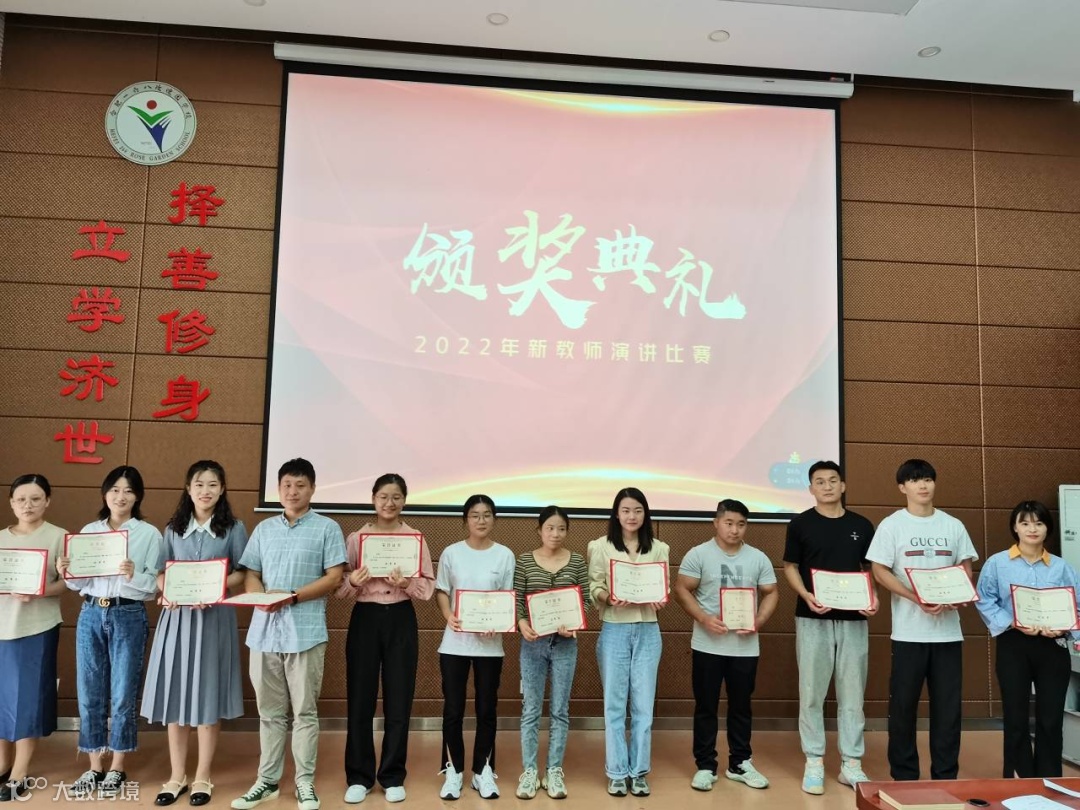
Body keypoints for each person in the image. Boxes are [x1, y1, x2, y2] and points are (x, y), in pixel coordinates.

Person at [230, 459, 346, 810]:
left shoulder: (327, 528)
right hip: (264, 633)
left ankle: (304, 782)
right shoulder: (264, 529)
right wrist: (260, 596)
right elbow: (251, 572)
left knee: (305, 713)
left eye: (300, 485)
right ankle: (267, 781)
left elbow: (334, 577)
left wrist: (292, 596)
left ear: (312, 489)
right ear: (278, 489)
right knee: (269, 713)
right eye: (286, 485)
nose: (292, 492)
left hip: (305, 632)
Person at [141, 461, 248, 807]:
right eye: (199, 484)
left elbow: (243, 573)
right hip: (178, 620)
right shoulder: (173, 529)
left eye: (213, 484)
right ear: (188, 489)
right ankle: (177, 776)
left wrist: (215, 587)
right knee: (175, 694)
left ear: (222, 489)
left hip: (214, 619)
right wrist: (168, 589)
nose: (205, 491)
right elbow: (160, 572)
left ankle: (202, 775)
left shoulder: (234, 528)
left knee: (207, 694)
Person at [866, 458, 978, 781]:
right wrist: (914, 596)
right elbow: (879, 570)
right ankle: (904, 777)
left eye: (927, 479)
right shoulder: (892, 525)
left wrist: (956, 595)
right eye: (915, 480)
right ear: (902, 487)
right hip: (908, 634)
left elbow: (965, 567)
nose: (923, 485)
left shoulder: (952, 525)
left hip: (948, 635)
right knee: (903, 707)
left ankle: (945, 775)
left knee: (948, 710)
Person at [58, 466, 164, 798]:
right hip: (91, 612)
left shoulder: (149, 534)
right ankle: (94, 766)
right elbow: (77, 584)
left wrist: (134, 575)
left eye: (129, 490)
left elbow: (154, 587)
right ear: (105, 494)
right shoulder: (90, 531)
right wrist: (67, 571)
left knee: (122, 693)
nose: (121, 496)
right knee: (89, 691)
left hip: (128, 613)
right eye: (115, 490)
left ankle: (117, 766)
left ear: (138, 496)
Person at [781, 461, 877, 794]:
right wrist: (806, 595)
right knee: (811, 692)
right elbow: (790, 566)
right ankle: (814, 760)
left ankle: (852, 763)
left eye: (832, 480)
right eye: (819, 482)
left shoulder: (861, 525)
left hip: (854, 619)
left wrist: (872, 597)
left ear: (843, 485)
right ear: (811, 489)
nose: (827, 486)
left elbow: (869, 568)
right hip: (812, 617)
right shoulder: (800, 523)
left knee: (853, 693)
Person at [338, 474, 434, 805]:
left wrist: (407, 583)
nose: (389, 503)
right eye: (383, 496)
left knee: (399, 697)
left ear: (404, 500)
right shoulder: (357, 539)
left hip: (401, 617)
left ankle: (392, 775)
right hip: (365, 617)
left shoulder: (415, 538)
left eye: (396, 497)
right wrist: (353, 580)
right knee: (360, 697)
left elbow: (427, 588)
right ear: (373, 499)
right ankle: (359, 776)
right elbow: (339, 588)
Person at [674, 498, 778, 793]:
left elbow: (771, 592)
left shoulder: (757, 557)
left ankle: (740, 763)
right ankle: (705, 765)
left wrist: (759, 620)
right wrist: (704, 618)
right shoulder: (699, 554)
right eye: (729, 523)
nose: (735, 530)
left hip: (745, 647)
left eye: (741, 524)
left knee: (741, 706)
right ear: (716, 523)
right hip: (708, 645)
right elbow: (682, 589)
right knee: (706, 706)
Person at [976, 501, 1080, 778]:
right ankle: (1018, 777)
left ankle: (1049, 777)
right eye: (1025, 523)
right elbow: (984, 600)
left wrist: (1065, 628)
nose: (1032, 529)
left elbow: (1077, 606)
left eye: (1039, 523)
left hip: (1053, 646)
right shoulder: (997, 563)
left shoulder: (1062, 568)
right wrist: (1013, 622)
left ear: (1047, 528)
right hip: (1014, 644)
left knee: (1051, 717)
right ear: (1015, 528)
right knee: (1015, 715)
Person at [587, 487, 669, 798]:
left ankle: (640, 772)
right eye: (625, 510)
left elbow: (663, 587)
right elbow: (594, 585)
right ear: (616, 514)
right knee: (614, 704)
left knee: (644, 706)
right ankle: (617, 772)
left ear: (645, 514)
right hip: (615, 628)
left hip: (648, 630)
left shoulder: (659, 548)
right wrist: (608, 597)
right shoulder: (600, 546)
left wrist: (661, 598)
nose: (632, 516)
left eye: (637, 510)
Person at [435, 495, 515, 801]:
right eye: (475, 515)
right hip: (454, 644)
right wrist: (448, 615)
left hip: (490, 647)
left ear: (494, 519)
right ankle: (453, 770)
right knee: (453, 709)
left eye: (486, 515)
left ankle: (483, 770)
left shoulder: (504, 555)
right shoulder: (452, 552)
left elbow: (507, 597)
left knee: (486, 709)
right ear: (465, 520)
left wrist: (500, 621)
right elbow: (442, 590)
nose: (481, 520)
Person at [514, 506, 591, 800]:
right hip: (532, 644)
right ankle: (529, 771)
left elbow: (585, 600)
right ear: (539, 530)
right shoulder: (524, 561)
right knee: (531, 709)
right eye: (549, 528)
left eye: (561, 528)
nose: (555, 534)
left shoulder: (577, 561)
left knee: (560, 709)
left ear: (567, 531)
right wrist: (522, 623)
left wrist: (574, 624)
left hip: (565, 645)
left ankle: (554, 770)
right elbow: (518, 600)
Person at [0, 474, 67, 801]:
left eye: (36, 499)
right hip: (1, 628)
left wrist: (39, 592)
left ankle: (20, 771)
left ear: (47, 501)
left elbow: (67, 583)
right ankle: (2, 763)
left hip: (36, 628)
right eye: (21, 499)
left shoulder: (59, 537)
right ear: (11, 503)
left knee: (27, 700)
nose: (28, 505)